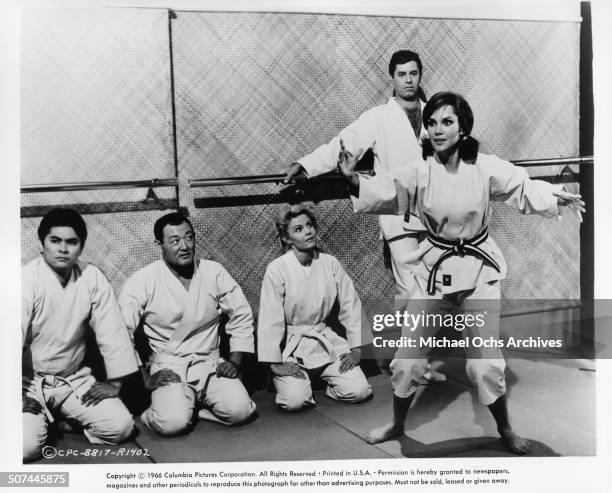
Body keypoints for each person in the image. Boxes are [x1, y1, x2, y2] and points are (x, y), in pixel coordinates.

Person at [335, 92, 585, 454]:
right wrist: (353, 180)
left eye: (447, 122)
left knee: (485, 366)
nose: (437, 129)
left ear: (463, 128)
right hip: (434, 271)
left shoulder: (484, 167)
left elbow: (523, 186)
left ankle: (504, 430)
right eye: (432, 122)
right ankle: (397, 423)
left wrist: (555, 195)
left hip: (479, 271)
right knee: (406, 362)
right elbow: (386, 188)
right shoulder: (420, 171)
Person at [284, 50, 429, 297]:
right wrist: (305, 165)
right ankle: (414, 337)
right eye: (401, 74)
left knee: (436, 287)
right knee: (412, 291)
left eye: (413, 74)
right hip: (398, 212)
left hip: (432, 211)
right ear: (392, 78)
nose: (408, 80)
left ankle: (435, 336)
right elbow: (343, 144)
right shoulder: (379, 117)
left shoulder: (434, 114)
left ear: (420, 76)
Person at [118, 212, 256, 437]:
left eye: (189, 238)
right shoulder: (144, 279)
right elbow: (120, 331)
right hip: (169, 367)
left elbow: (241, 314)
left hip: (210, 363)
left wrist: (235, 362)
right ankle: (159, 411)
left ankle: (194, 407)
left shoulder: (213, 271)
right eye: (174, 241)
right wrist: (144, 378)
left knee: (241, 412)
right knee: (171, 425)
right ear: (159, 244)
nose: (184, 246)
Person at [22, 208, 138, 462]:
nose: (63, 249)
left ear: (81, 246)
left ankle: (60, 421)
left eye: (71, 242)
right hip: (28, 382)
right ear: (41, 244)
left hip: (73, 379)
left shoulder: (91, 276)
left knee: (121, 427)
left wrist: (115, 383)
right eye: (55, 241)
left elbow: (113, 330)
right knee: (24, 447)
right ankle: (44, 420)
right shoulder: (25, 279)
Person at [257, 205, 372, 411]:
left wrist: (356, 349)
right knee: (295, 401)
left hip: (325, 340)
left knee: (360, 391)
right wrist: (274, 364)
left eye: (309, 225)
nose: (308, 231)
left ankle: (325, 384)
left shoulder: (329, 263)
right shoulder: (277, 269)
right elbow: (270, 319)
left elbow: (350, 304)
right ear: (287, 239)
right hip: (291, 346)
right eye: (298, 229)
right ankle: (302, 385)